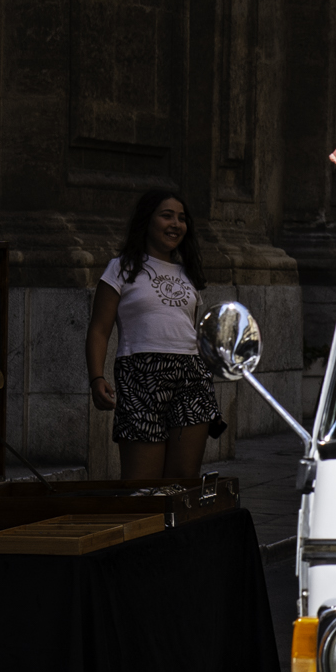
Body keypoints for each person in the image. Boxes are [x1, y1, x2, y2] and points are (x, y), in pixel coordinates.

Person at [86, 189, 224, 480]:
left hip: (191, 374)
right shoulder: (121, 268)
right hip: (141, 373)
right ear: (147, 221)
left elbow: (191, 329)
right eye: (167, 215)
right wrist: (96, 377)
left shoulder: (189, 273)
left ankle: (179, 528)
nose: (176, 224)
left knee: (183, 479)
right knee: (142, 483)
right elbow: (99, 329)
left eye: (182, 218)